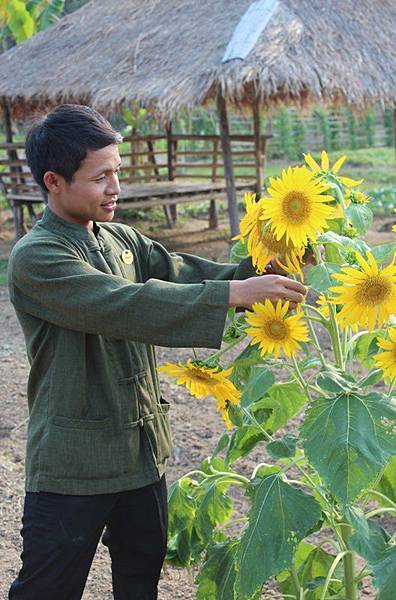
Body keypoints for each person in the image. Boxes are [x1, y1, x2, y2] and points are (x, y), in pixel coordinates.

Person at [7, 104, 307, 600]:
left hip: (141, 452)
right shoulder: (37, 257)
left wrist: (263, 265)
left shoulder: (121, 238)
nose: (115, 188)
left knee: (139, 578)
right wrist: (231, 296)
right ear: (54, 181)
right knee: (48, 587)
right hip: (73, 463)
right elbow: (123, 304)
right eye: (100, 177)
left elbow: (183, 272)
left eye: (117, 172)